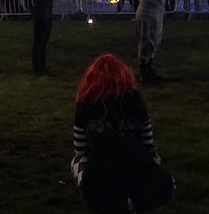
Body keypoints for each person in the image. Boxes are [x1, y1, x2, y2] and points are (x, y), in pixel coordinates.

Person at [71, 54, 174, 214]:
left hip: (101, 175)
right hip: (137, 165)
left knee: (76, 161)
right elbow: (147, 141)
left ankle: (102, 193)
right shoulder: (135, 99)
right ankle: (145, 190)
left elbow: (80, 149)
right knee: (149, 154)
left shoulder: (85, 103)